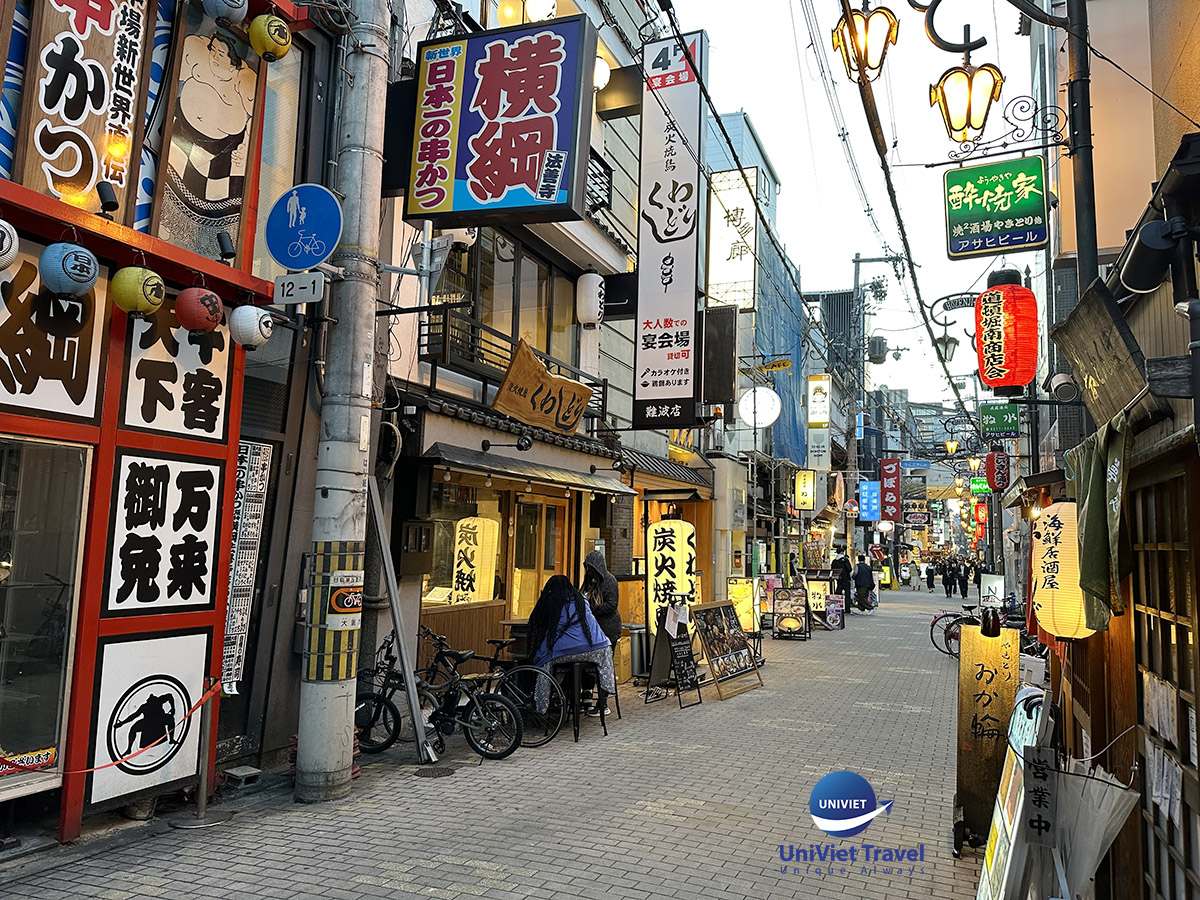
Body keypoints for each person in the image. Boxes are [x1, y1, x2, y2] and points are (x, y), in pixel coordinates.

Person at [526, 575, 614, 716]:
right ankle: (601, 702)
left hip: (565, 651)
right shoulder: (581, 601)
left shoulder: (552, 603)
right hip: (598, 647)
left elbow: (538, 627)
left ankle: (543, 704)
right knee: (577, 666)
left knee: (545, 661)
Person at [581, 550, 622, 716]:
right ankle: (587, 696)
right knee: (590, 664)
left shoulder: (609, 581)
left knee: (604, 666)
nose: (589, 571)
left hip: (609, 630)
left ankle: (603, 703)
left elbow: (613, 604)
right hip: (594, 630)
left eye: (591, 567)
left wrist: (594, 610)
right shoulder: (590, 581)